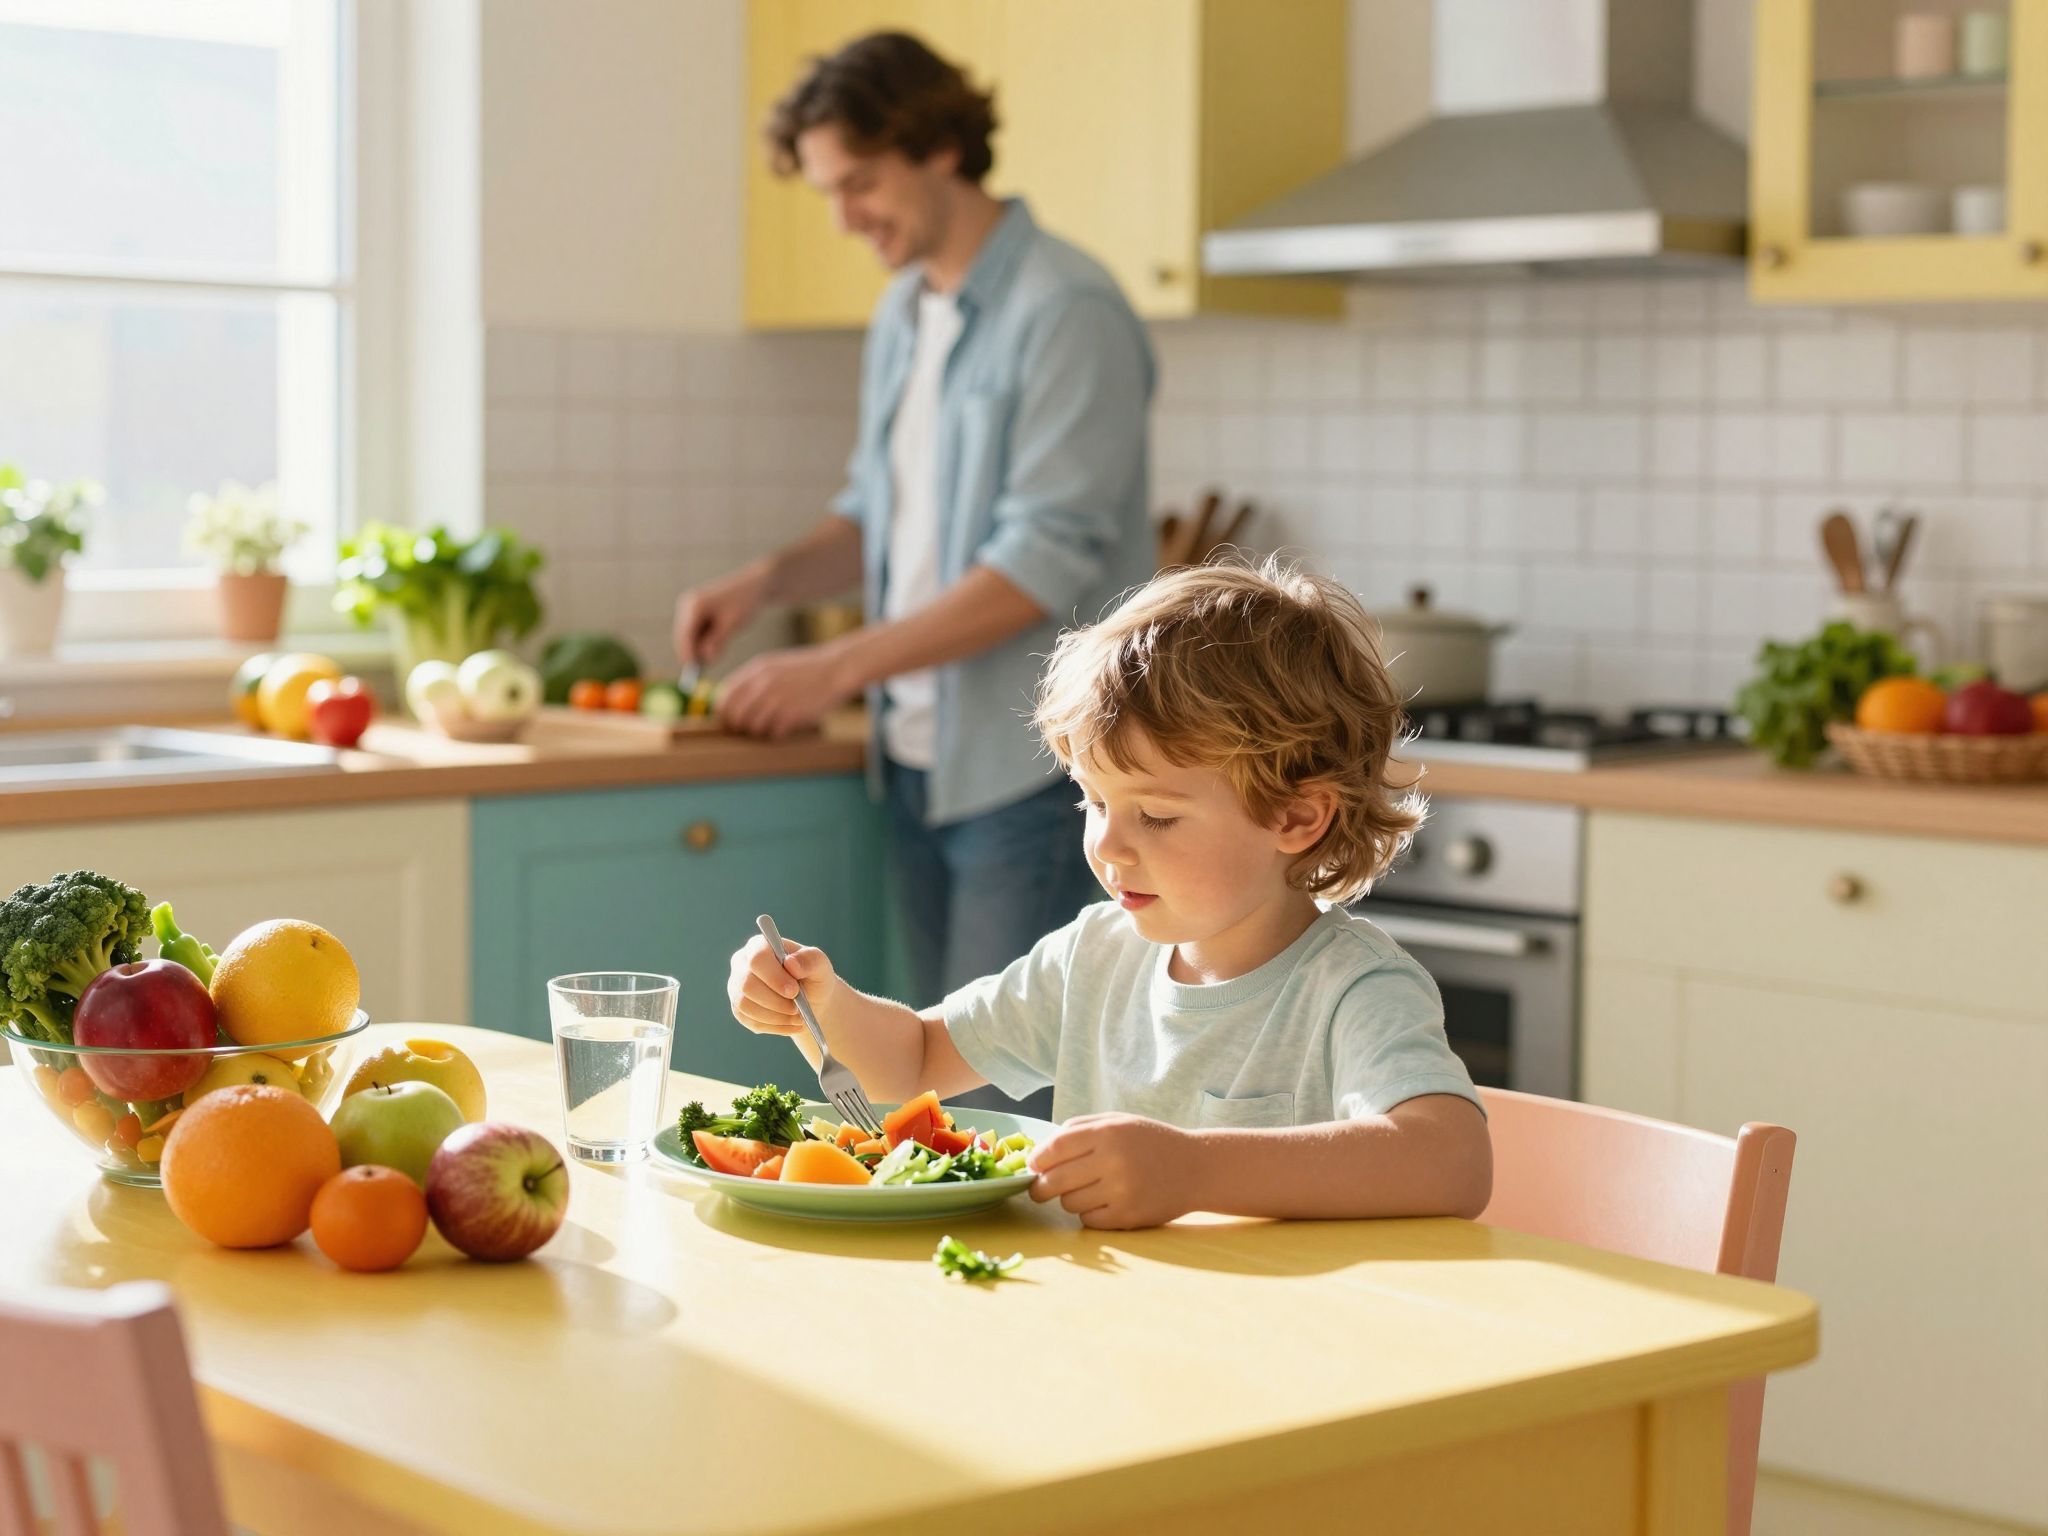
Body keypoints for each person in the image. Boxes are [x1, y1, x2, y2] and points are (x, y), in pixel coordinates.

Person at [724, 561, 1493, 1230]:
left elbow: (1451, 1161)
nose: (1108, 846)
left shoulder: (1353, 987)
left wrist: (1194, 1170)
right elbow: (915, 1059)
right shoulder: (1094, 956)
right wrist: (819, 1006)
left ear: (1295, 817)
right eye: (1094, 802)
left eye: (1155, 815)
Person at [673, 32, 1155, 1062]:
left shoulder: (1067, 309)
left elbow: (1039, 561)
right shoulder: (903, 312)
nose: (844, 219)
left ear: (939, 146)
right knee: (926, 1079)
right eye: (828, 193)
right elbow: (875, 513)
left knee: (1003, 1089)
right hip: (916, 767)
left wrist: (833, 669)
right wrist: (765, 583)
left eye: (860, 183)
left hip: (1032, 773)